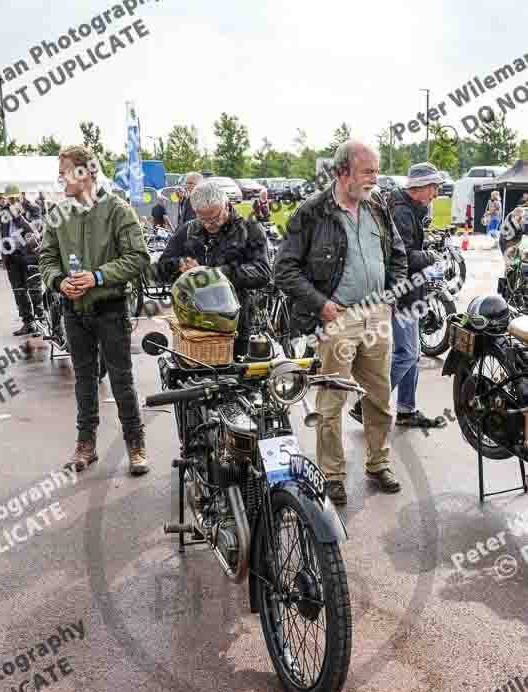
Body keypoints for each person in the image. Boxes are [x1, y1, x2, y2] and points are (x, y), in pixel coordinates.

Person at [275, 139, 408, 503]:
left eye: (376, 171)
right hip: (337, 318)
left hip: (376, 316)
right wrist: (321, 305)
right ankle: (332, 474)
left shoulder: (377, 206)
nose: (374, 179)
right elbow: (283, 268)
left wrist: (391, 296)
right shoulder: (312, 213)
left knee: (379, 396)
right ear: (342, 172)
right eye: (368, 172)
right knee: (332, 400)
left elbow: (397, 255)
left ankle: (378, 463)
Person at [39, 145, 151, 475]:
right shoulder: (58, 215)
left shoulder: (117, 209)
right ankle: (85, 445)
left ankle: (136, 443)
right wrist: (58, 281)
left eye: (65, 172)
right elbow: (46, 258)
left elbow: (139, 257)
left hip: (111, 309)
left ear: (85, 172)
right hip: (73, 311)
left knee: (121, 380)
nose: (61, 179)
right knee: (84, 380)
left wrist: (98, 276)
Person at [350, 163, 447, 430]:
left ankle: (406, 410)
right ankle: (365, 405)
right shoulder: (402, 212)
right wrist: (432, 258)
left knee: (411, 354)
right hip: (401, 294)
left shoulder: (407, 207)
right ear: (419, 188)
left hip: (404, 291)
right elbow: (401, 256)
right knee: (405, 354)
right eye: (433, 187)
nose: (436, 194)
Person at [158, 180, 271, 359]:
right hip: (193, 324)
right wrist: (179, 264)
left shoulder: (250, 229)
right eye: (203, 218)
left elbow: (263, 272)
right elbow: (161, 269)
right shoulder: (187, 230)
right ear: (195, 211)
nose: (210, 224)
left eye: (215, 217)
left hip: (236, 321)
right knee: (194, 375)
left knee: (235, 379)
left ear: (226, 205)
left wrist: (216, 274)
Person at [0, 188, 44, 335]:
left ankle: (41, 323)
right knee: (19, 291)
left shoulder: (34, 209)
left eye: (14, 198)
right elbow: (2, 231)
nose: (12, 201)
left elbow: (35, 232)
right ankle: (28, 322)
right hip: (12, 257)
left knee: (34, 291)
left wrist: (18, 217)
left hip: (29, 256)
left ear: (22, 195)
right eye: (9, 198)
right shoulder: (3, 212)